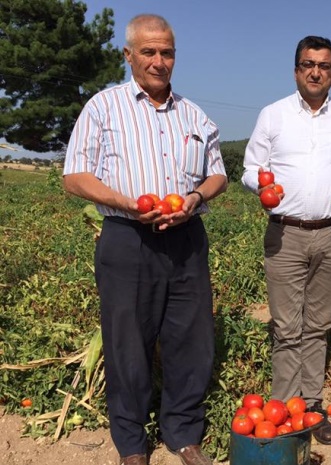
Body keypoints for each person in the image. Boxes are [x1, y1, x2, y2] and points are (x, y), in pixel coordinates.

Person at [63, 14, 227, 465]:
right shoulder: (103, 107)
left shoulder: (195, 115)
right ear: (128, 54)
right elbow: (74, 176)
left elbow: (218, 174)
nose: (159, 61)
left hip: (186, 237)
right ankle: (132, 443)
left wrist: (194, 198)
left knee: (190, 337)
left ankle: (183, 432)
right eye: (149, 52)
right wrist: (125, 202)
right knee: (127, 340)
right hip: (127, 237)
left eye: (167, 52)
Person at [241, 36, 331, 445]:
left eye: (325, 66)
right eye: (308, 64)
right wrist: (262, 188)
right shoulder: (273, 115)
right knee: (286, 326)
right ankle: (283, 407)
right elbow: (251, 167)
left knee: (318, 324)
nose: (316, 72)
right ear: (296, 69)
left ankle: (312, 405)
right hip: (286, 232)